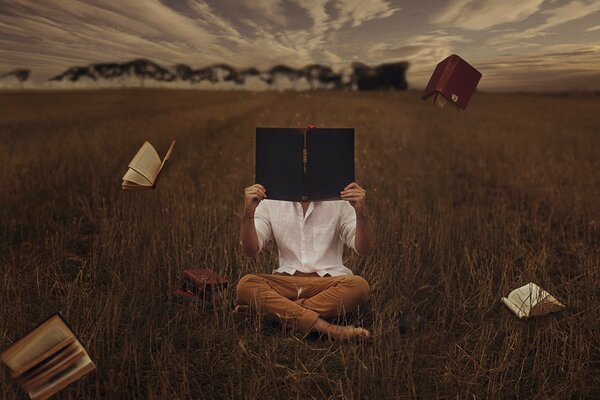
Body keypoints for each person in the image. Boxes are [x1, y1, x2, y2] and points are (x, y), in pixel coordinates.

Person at [236, 182, 373, 340]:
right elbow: (250, 250)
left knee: (358, 286)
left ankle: (271, 315)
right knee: (246, 284)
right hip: (286, 282)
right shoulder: (270, 200)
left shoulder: (340, 200)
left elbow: (364, 249)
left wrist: (361, 213)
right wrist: (248, 212)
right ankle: (328, 329)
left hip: (329, 283)